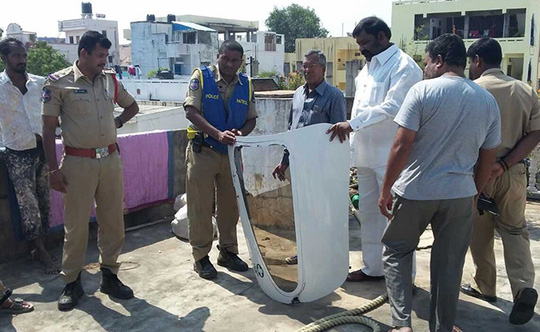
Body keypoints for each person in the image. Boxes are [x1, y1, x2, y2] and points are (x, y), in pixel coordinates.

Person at [378, 34, 501, 332]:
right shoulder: (486, 100)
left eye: (427, 62)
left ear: (439, 60)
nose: (424, 68)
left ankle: (402, 324)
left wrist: (385, 189)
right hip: (459, 194)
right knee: (449, 265)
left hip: (417, 190)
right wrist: (474, 192)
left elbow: (401, 145)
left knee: (396, 250)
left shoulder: (422, 92)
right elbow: (488, 157)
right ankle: (443, 327)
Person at [41, 31, 139, 311]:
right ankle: (72, 282)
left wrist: (117, 124)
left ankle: (109, 275)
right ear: (82, 53)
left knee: (113, 223)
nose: (103, 61)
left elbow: (131, 106)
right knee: (76, 227)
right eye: (99, 55)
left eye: (106, 56)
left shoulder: (110, 80)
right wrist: (52, 170)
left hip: (110, 160)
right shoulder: (58, 83)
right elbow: (48, 129)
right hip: (77, 163)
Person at [327, 16, 423, 282]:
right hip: (365, 156)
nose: (362, 49)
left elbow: (394, 107)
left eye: (366, 42)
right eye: (359, 44)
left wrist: (352, 124)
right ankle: (373, 269)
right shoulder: (367, 69)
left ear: (383, 36)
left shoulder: (404, 67)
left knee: (396, 220)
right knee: (369, 216)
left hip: (390, 157)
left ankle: (404, 280)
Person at [460, 37, 539, 326]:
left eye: (471, 62)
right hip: (513, 171)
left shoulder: (471, 90)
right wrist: (504, 163)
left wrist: (486, 167)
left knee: (478, 230)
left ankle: (485, 285)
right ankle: (523, 288)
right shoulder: (525, 90)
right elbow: (535, 133)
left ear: (478, 60)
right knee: (515, 230)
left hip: (477, 172)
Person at [184, 40, 257, 280]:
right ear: (218, 56)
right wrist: (217, 133)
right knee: (201, 207)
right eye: (225, 58)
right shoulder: (201, 77)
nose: (229, 64)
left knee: (230, 207)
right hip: (203, 151)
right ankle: (201, 257)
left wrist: (241, 134)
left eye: (235, 60)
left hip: (231, 155)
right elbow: (191, 111)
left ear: (240, 62)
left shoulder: (246, 84)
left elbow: (251, 119)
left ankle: (228, 251)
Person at [272, 49, 346, 264]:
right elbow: (291, 129)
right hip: (297, 165)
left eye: (312, 66)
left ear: (323, 68)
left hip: (321, 168)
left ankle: (328, 256)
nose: (307, 70)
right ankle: (305, 253)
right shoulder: (298, 94)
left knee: (324, 214)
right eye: (304, 66)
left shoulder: (334, 96)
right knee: (304, 213)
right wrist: (284, 161)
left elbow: (338, 137)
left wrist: (333, 171)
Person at [0, 38, 59, 275]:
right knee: (28, 204)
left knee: (45, 199)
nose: (21, 60)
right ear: (5, 58)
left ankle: (40, 245)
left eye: (23, 55)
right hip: (17, 152)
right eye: (16, 56)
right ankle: (40, 250)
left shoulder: (38, 83)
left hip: (42, 148)